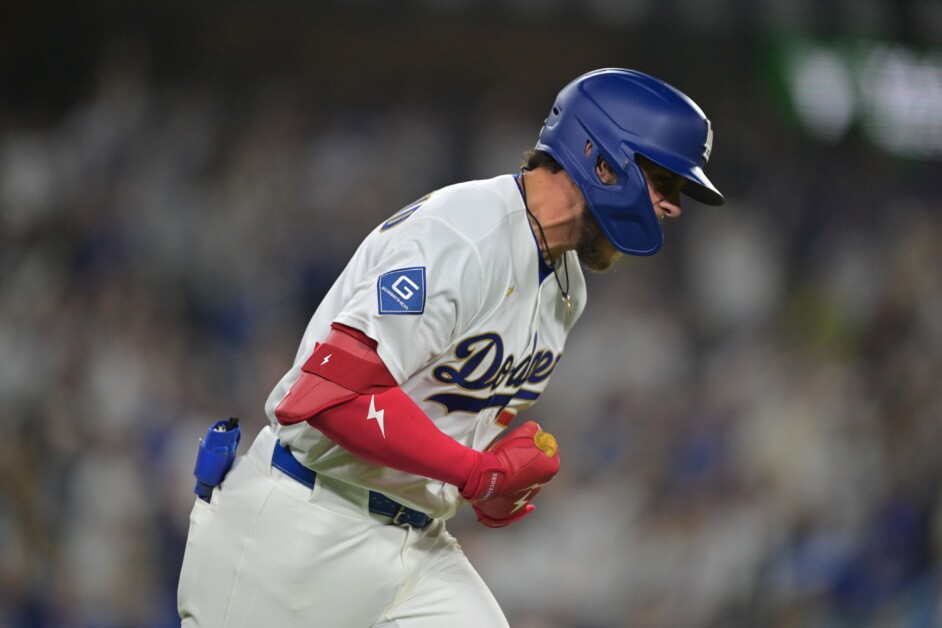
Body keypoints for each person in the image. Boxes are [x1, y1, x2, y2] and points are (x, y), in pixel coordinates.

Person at [177, 67, 725, 627]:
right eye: (664, 182)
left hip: (417, 545)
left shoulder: (569, 289)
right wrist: (474, 471)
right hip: (302, 520)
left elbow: (442, 432)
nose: (672, 206)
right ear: (602, 160)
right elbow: (331, 397)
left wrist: (488, 485)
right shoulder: (463, 233)